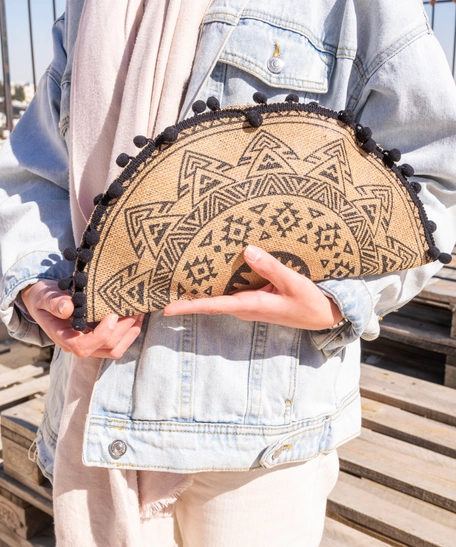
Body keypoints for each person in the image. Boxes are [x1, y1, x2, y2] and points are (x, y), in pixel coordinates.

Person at [1, 1, 455, 545]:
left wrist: (338, 298)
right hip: (95, 417)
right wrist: (39, 285)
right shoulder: (88, 9)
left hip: (260, 445)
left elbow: (434, 178)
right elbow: (36, 173)